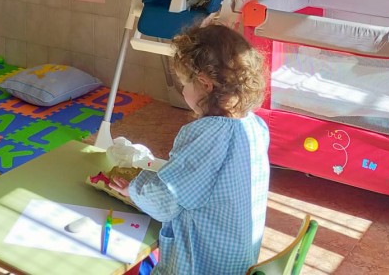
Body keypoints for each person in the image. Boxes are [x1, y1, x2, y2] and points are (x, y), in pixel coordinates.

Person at [112, 24, 270, 275]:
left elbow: (164, 202)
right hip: (239, 260)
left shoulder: (206, 135)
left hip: (204, 265)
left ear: (205, 84)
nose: (183, 90)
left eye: (184, 84)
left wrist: (134, 190)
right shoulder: (255, 125)